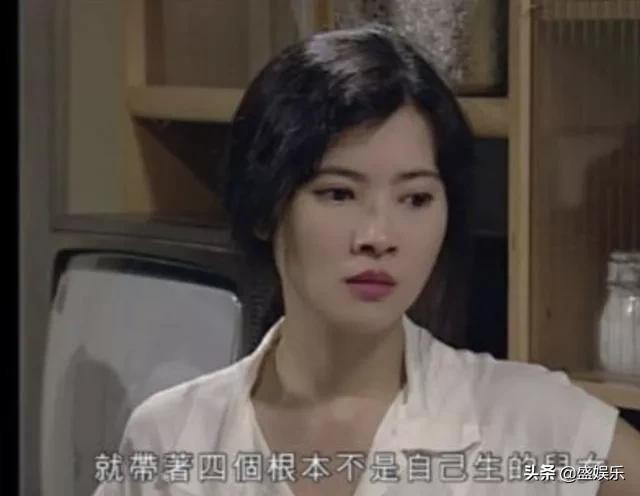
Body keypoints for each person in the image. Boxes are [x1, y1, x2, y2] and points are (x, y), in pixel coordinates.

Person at [92, 24, 640, 496]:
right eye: (338, 193)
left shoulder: (525, 425)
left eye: (416, 199)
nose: (379, 237)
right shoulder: (174, 442)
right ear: (264, 208)